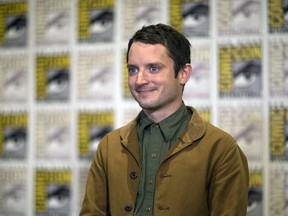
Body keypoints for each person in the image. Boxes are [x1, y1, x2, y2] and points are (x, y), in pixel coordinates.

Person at [80, 23, 249, 216]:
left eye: (153, 68)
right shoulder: (109, 146)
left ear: (183, 74)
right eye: (133, 70)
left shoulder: (221, 149)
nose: (140, 80)